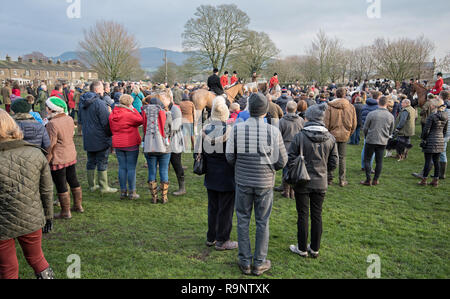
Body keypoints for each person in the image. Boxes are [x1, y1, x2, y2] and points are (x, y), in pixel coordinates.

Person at [226, 92, 288, 276]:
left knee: (243, 220)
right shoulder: (273, 131)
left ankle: (245, 262)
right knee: (262, 222)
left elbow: (230, 157)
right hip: (264, 182)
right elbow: (282, 161)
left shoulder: (237, 129)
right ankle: (259, 262)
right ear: (265, 110)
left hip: (244, 181)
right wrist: (269, 167)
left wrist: (242, 165)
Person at [0, 109, 54, 279]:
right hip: (30, 216)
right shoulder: (35, 153)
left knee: (8, 268)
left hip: (4, 222)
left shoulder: (34, 152)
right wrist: (49, 215)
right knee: (37, 259)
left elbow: (46, 188)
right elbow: (46, 189)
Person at [288, 103, 338, 258]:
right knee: (317, 215)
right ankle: (314, 248)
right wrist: (324, 170)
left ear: (309, 118)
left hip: (302, 181)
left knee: (303, 214)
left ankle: (302, 248)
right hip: (320, 181)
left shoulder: (300, 136)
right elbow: (334, 163)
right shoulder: (330, 138)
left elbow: (290, 159)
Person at [201, 98, 238, 251]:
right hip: (227, 175)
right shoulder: (230, 131)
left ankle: (211, 237)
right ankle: (222, 240)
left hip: (211, 174)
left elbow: (200, 153)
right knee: (226, 210)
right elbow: (233, 155)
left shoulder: (205, 130)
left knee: (213, 207)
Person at [45, 97, 83, 218]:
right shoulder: (69, 118)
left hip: (58, 157)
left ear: (51, 109)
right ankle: (78, 205)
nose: (45, 109)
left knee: (61, 184)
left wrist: (46, 160)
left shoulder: (52, 124)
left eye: (47, 107)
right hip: (70, 154)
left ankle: (65, 212)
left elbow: (50, 145)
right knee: (73, 179)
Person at [78, 81, 117, 194]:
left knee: (90, 161)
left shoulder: (82, 102)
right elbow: (106, 122)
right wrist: (109, 135)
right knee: (102, 161)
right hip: (100, 137)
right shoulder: (100, 103)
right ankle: (104, 187)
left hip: (88, 136)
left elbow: (80, 120)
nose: (103, 91)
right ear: (96, 90)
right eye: (101, 89)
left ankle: (92, 185)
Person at [109, 94, 144, 200]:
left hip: (118, 143)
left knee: (122, 167)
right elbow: (140, 120)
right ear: (130, 103)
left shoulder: (113, 114)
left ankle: (123, 191)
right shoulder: (129, 114)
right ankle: (132, 192)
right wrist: (133, 109)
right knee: (131, 168)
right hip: (130, 142)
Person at [142, 92, 173, 204]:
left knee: (152, 171)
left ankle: (154, 197)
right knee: (164, 170)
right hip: (164, 147)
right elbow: (171, 130)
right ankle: (164, 197)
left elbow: (144, 130)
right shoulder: (167, 114)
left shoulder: (145, 113)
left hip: (149, 146)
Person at [324, 88, 357, 187]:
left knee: (330, 156)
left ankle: (329, 178)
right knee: (342, 158)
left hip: (332, 134)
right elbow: (354, 123)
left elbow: (326, 122)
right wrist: (349, 133)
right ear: (345, 95)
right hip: (343, 134)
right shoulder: (350, 107)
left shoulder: (330, 107)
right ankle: (342, 180)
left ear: (335, 95)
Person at [360, 96, 395, 186]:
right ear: (386, 104)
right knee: (379, 161)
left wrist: (366, 135)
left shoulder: (372, 114)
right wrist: (386, 136)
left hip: (371, 139)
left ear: (378, 102)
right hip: (382, 140)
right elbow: (391, 130)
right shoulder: (390, 116)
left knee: (367, 159)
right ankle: (375, 179)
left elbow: (365, 128)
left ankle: (368, 179)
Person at [418, 98, 448, 187]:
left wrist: (423, 138)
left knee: (428, 161)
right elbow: (444, 130)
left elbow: (426, 130)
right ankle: (435, 180)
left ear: (434, 106)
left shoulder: (432, 116)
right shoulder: (445, 116)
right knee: (436, 161)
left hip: (431, 140)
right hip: (440, 140)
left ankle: (424, 180)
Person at [279, 101, 305, 198]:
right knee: (295, 169)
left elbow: (279, 135)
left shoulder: (281, 121)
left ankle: (287, 191)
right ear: (296, 109)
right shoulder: (301, 120)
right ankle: (291, 191)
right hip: (298, 147)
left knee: (286, 168)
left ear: (286, 109)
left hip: (285, 147)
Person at [168, 93, 186, 196]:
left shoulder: (175, 109)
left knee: (176, 164)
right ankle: (164, 186)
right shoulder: (166, 108)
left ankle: (182, 188)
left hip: (175, 141)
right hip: (168, 140)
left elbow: (176, 126)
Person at [360, 91, 380, 172]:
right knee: (372, 151)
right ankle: (369, 167)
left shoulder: (364, 106)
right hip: (373, 130)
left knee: (365, 148)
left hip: (366, 128)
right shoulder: (377, 108)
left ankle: (363, 165)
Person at [439, 91, 449, 179]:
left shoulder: (444, 108)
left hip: (443, 133)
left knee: (440, 153)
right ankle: (441, 173)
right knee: (442, 152)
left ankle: (441, 174)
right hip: (447, 133)